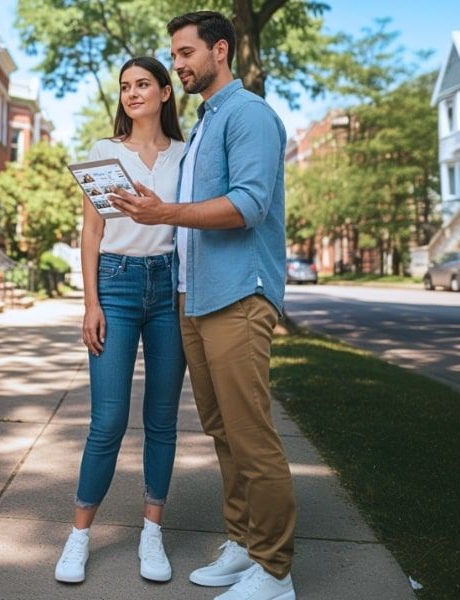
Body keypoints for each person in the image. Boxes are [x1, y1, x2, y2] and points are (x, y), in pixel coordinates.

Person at [109, 11, 297, 600]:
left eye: (186, 53)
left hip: (239, 293)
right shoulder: (205, 123)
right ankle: (244, 542)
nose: (179, 64)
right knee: (222, 431)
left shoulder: (248, 115)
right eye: (174, 54)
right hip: (196, 297)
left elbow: (248, 205)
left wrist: (163, 213)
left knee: (250, 434)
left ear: (221, 51)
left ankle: (275, 571)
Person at [55, 56, 187, 585]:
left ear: (165, 93)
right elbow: (91, 232)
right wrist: (91, 303)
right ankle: (79, 536)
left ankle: (151, 531)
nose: (132, 93)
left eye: (143, 84)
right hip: (116, 283)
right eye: (125, 86)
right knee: (107, 420)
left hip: (169, 287)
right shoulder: (104, 153)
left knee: (162, 419)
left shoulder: (186, 155)